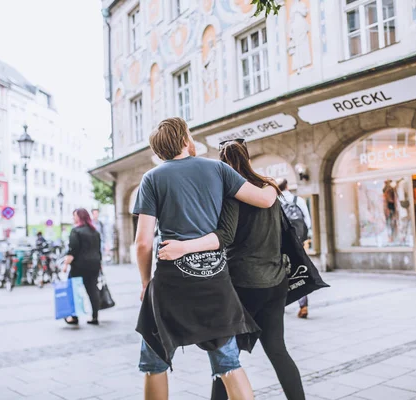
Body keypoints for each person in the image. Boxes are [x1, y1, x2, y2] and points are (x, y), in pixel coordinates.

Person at [133, 117, 278, 400]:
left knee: (155, 362)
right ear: (186, 140)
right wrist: (271, 185)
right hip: (214, 279)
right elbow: (264, 200)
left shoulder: (152, 178)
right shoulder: (218, 169)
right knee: (228, 363)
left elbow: (142, 242)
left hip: (170, 282)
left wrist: (145, 282)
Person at [159, 139, 306, 400]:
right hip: (275, 280)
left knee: (226, 356)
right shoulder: (267, 187)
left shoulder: (230, 193)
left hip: (245, 283)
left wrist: (185, 245)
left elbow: (224, 236)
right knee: (277, 350)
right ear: (247, 157)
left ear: (224, 165)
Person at [278, 178, 312, 319]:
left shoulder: (275, 202)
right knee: (299, 270)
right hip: (298, 242)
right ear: (287, 186)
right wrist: (306, 237)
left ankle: (280, 305)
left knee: (280, 273)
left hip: (281, 243)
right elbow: (308, 222)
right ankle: (303, 305)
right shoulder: (299, 200)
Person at [62, 208, 102, 325]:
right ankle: (94, 317)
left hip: (79, 265)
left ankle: (74, 317)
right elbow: (98, 250)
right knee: (92, 290)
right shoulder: (95, 231)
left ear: (79, 217)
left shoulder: (76, 231)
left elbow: (73, 250)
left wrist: (65, 265)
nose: (73, 218)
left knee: (73, 290)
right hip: (94, 265)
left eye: (74, 216)